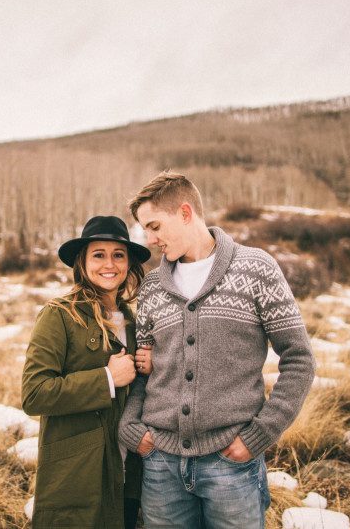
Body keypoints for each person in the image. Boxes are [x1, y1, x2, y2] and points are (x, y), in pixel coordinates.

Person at [119, 171, 316, 529]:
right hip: (161, 464)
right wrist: (133, 429)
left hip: (231, 464)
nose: (150, 240)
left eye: (155, 226)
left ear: (184, 212)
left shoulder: (256, 268)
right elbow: (143, 369)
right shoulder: (150, 288)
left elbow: (300, 358)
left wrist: (259, 434)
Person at [22, 215, 151, 528]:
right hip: (78, 476)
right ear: (82, 262)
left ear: (129, 262)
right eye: (99, 255)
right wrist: (106, 379)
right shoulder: (59, 315)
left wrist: (153, 365)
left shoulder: (133, 319)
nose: (109, 264)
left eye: (118, 255)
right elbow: (34, 394)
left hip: (129, 473)